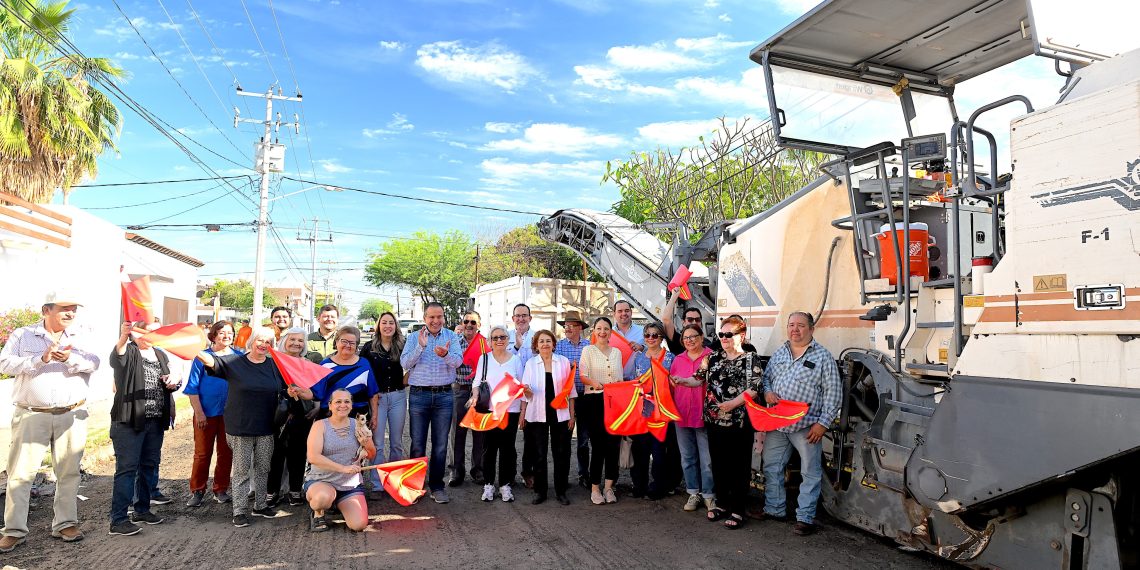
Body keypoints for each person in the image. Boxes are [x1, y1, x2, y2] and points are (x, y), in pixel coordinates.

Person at [0, 292, 99, 552]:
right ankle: (14, 531)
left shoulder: (81, 336)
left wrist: (72, 359)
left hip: (71, 414)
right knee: (20, 474)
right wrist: (40, 359)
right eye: (64, 309)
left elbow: (94, 362)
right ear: (46, 310)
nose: (70, 314)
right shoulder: (23, 335)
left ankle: (65, 524)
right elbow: (4, 362)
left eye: (74, 309)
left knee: (68, 473)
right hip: (32, 414)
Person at [760, 312, 842, 536]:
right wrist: (767, 391)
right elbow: (766, 378)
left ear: (811, 329)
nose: (795, 329)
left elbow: (833, 393)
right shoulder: (780, 352)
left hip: (806, 426)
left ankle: (805, 518)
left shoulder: (823, 357)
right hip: (778, 424)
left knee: (810, 472)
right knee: (772, 467)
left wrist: (823, 424)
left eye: (801, 325)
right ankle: (775, 509)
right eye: (791, 325)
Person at [196, 326, 287, 528]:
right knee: (242, 471)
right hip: (241, 427)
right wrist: (193, 348)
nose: (264, 345)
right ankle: (239, 510)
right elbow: (212, 361)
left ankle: (261, 505)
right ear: (251, 341)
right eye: (260, 340)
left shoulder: (275, 366)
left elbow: (287, 387)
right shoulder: (235, 362)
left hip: (266, 426)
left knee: (264, 468)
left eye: (269, 342)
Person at [107, 321, 181, 536]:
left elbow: (171, 381)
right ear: (135, 331)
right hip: (129, 421)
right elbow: (116, 357)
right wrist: (123, 336)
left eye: (155, 330)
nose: (151, 334)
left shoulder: (160, 354)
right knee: (127, 469)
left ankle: (142, 509)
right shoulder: (128, 350)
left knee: (149, 465)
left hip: (155, 420)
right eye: (146, 329)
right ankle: (118, 519)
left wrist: (172, 384)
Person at [702, 316, 763, 530]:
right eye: (721, 334)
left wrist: (732, 404)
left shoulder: (750, 358)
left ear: (741, 336)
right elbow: (698, 378)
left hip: (739, 422)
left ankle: (737, 509)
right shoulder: (713, 357)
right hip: (714, 420)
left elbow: (755, 388)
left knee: (739, 466)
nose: (724, 338)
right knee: (718, 464)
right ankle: (721, 504)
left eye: (729, 334)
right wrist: (681, 381)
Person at [400, 302, 463, 504]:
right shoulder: (413, 338)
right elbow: (405, 364)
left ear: (444, 317)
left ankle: (437, 486)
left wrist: (445, 355)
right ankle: (414, 487)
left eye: (439, 317)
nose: (436, 321)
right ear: (424, 318)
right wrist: (421, 347)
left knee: (440, 445)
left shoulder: (452, 337)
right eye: (431, 317)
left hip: (444, 396)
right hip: (419, 396)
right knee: (417, 444)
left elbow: (458, 362)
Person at [185, 321, 241, 507]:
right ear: (214, 335)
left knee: (226, 453)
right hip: (206, 413)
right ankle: (197, 490)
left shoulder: (240, 358)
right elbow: (192, 388)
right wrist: (199, 413)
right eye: (222, 332)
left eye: (230, 333)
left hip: (230, 415)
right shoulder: (202, 357)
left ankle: (221, 489)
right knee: (202, 454)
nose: (226, 336)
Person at [304, 389, 376, 532]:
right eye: (338, 401)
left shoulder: (358, 425)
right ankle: (318, 512)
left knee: (359, 525)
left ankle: (339, 503)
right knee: (322, 498)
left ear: (351, 405)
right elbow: (313, 457)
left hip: (349, 484)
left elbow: (371, 454)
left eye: (346, 401)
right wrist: (342, 468)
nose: (342, 405)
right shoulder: (320, 425)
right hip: (322, 480)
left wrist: (366, 442)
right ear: (330, 405)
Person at [467, 326, 523, 503]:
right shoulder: (484, 359)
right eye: (495, 337)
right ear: (489, 341)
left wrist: (522, 412)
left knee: (507, 449)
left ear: (508, 340)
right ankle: (489, 484)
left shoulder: (516, 360)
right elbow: (476, 383)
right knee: (489, 449)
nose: (499, 340)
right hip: (489, 412)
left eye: (503, 337)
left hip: (510, 411)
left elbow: (521, 387)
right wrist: (475, 396)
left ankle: (505, 485)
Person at [519, 330, 576, 505]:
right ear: (536, 345)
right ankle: (540, 491)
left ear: (553, 344)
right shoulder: (530, 363)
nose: (545, 344)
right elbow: (525, 393)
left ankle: (561, 491)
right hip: (536, 414)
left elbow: (571, 391)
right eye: (541, 341)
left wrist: (572, 416)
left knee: (562, 454)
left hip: (560, 413)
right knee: (539, 455)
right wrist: (522, 414)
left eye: (548, 341)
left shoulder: (563, 362)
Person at [577, 317, 625, 505]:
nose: (602, 332)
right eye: (599, 328)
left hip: (615, 402)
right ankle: (595, 488)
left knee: (613, 445)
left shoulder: (617, 353)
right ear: (594, 331)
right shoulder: (588, 350)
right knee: (598, 446)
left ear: (611, 332)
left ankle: (609, 487)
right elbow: (583, 375)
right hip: (594, 401)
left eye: (606, 328)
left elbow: (620, 379)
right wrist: (595, 383)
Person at [626, 323, 675, 500]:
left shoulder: (670, 358)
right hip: (642, 411)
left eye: (655, 335)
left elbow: (675, 384)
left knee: (659, 451)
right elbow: (633, 381)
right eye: (647, 335)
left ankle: (657, 486)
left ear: (661, 338)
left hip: (662, 412)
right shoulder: (638, 358)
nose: (651, 338)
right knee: (640, 450)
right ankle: (639, 485)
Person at [266, 328, 314, 507]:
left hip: (301, 414)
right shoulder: (272, 362)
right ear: (284, 340)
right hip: (276, 414)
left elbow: (313, 390)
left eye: (300, 340)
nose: (296, 343)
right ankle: (272, 492)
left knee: (298, 453)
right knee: (275, 454)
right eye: (292, 339)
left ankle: (295, 490)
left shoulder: (306, 363)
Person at [671, 323, 715, 515]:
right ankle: (693, 492)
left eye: (693, 336)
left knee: (707, 459)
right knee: (687, 457)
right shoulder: (678, 359)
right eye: (686, 338)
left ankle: (709, 494)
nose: (689, 340)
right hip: (681, 414)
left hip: (703, 415)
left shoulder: (712, 357)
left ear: (701, 336)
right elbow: (671, 388)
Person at [360, 312, 407, 491]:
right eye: (384, 322)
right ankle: (376, 483)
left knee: (396, 442)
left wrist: (406, 379)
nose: (388, 326)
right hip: (377, 399)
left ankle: (394, 482)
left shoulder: (403, 346)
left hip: (398, 397)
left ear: (396, 326)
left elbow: (413, 365)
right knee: (378, 443)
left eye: (391, 323)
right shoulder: (368, 347)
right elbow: (362, 373)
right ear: (379, 325)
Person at [293, 326, 379, 419]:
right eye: (344, 341)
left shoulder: (364, 364)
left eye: (352, 343)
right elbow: (314, 393)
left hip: (357, 417)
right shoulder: (325, 364)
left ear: (356, 346)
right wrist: (299, 392)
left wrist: (374, 416)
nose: (348, 345)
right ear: (336, 342)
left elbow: (373, 393)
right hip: (330, 416)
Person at [553, 311, 590, 488]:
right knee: (564, 439)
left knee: (583, 440)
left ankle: (584, 474)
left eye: (571, 325)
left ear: (580, 328)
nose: (567, 328)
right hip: (566, 398)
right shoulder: (558, 347)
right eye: (565, 326)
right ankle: (564, 477)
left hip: (585, 397)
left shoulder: (589, 346)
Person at [449, 311, 485, 487]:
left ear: (479, 324)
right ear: (461, 323)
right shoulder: (454, 342)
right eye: (466, 321)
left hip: (481, 393)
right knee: (458, 433)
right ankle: (457, 470)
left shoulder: (485, 344)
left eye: (473, 322)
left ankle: (478, 469)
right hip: (460, 390)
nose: (469, 325)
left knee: (480, 432)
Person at [662, 289, 714, 353]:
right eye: (690, 320)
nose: (694, 322)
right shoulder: (677, 340)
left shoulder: (707, 342)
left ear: (701, 322)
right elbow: (666, 319)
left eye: (697, 319)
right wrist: (674, 296)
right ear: (683, 322)